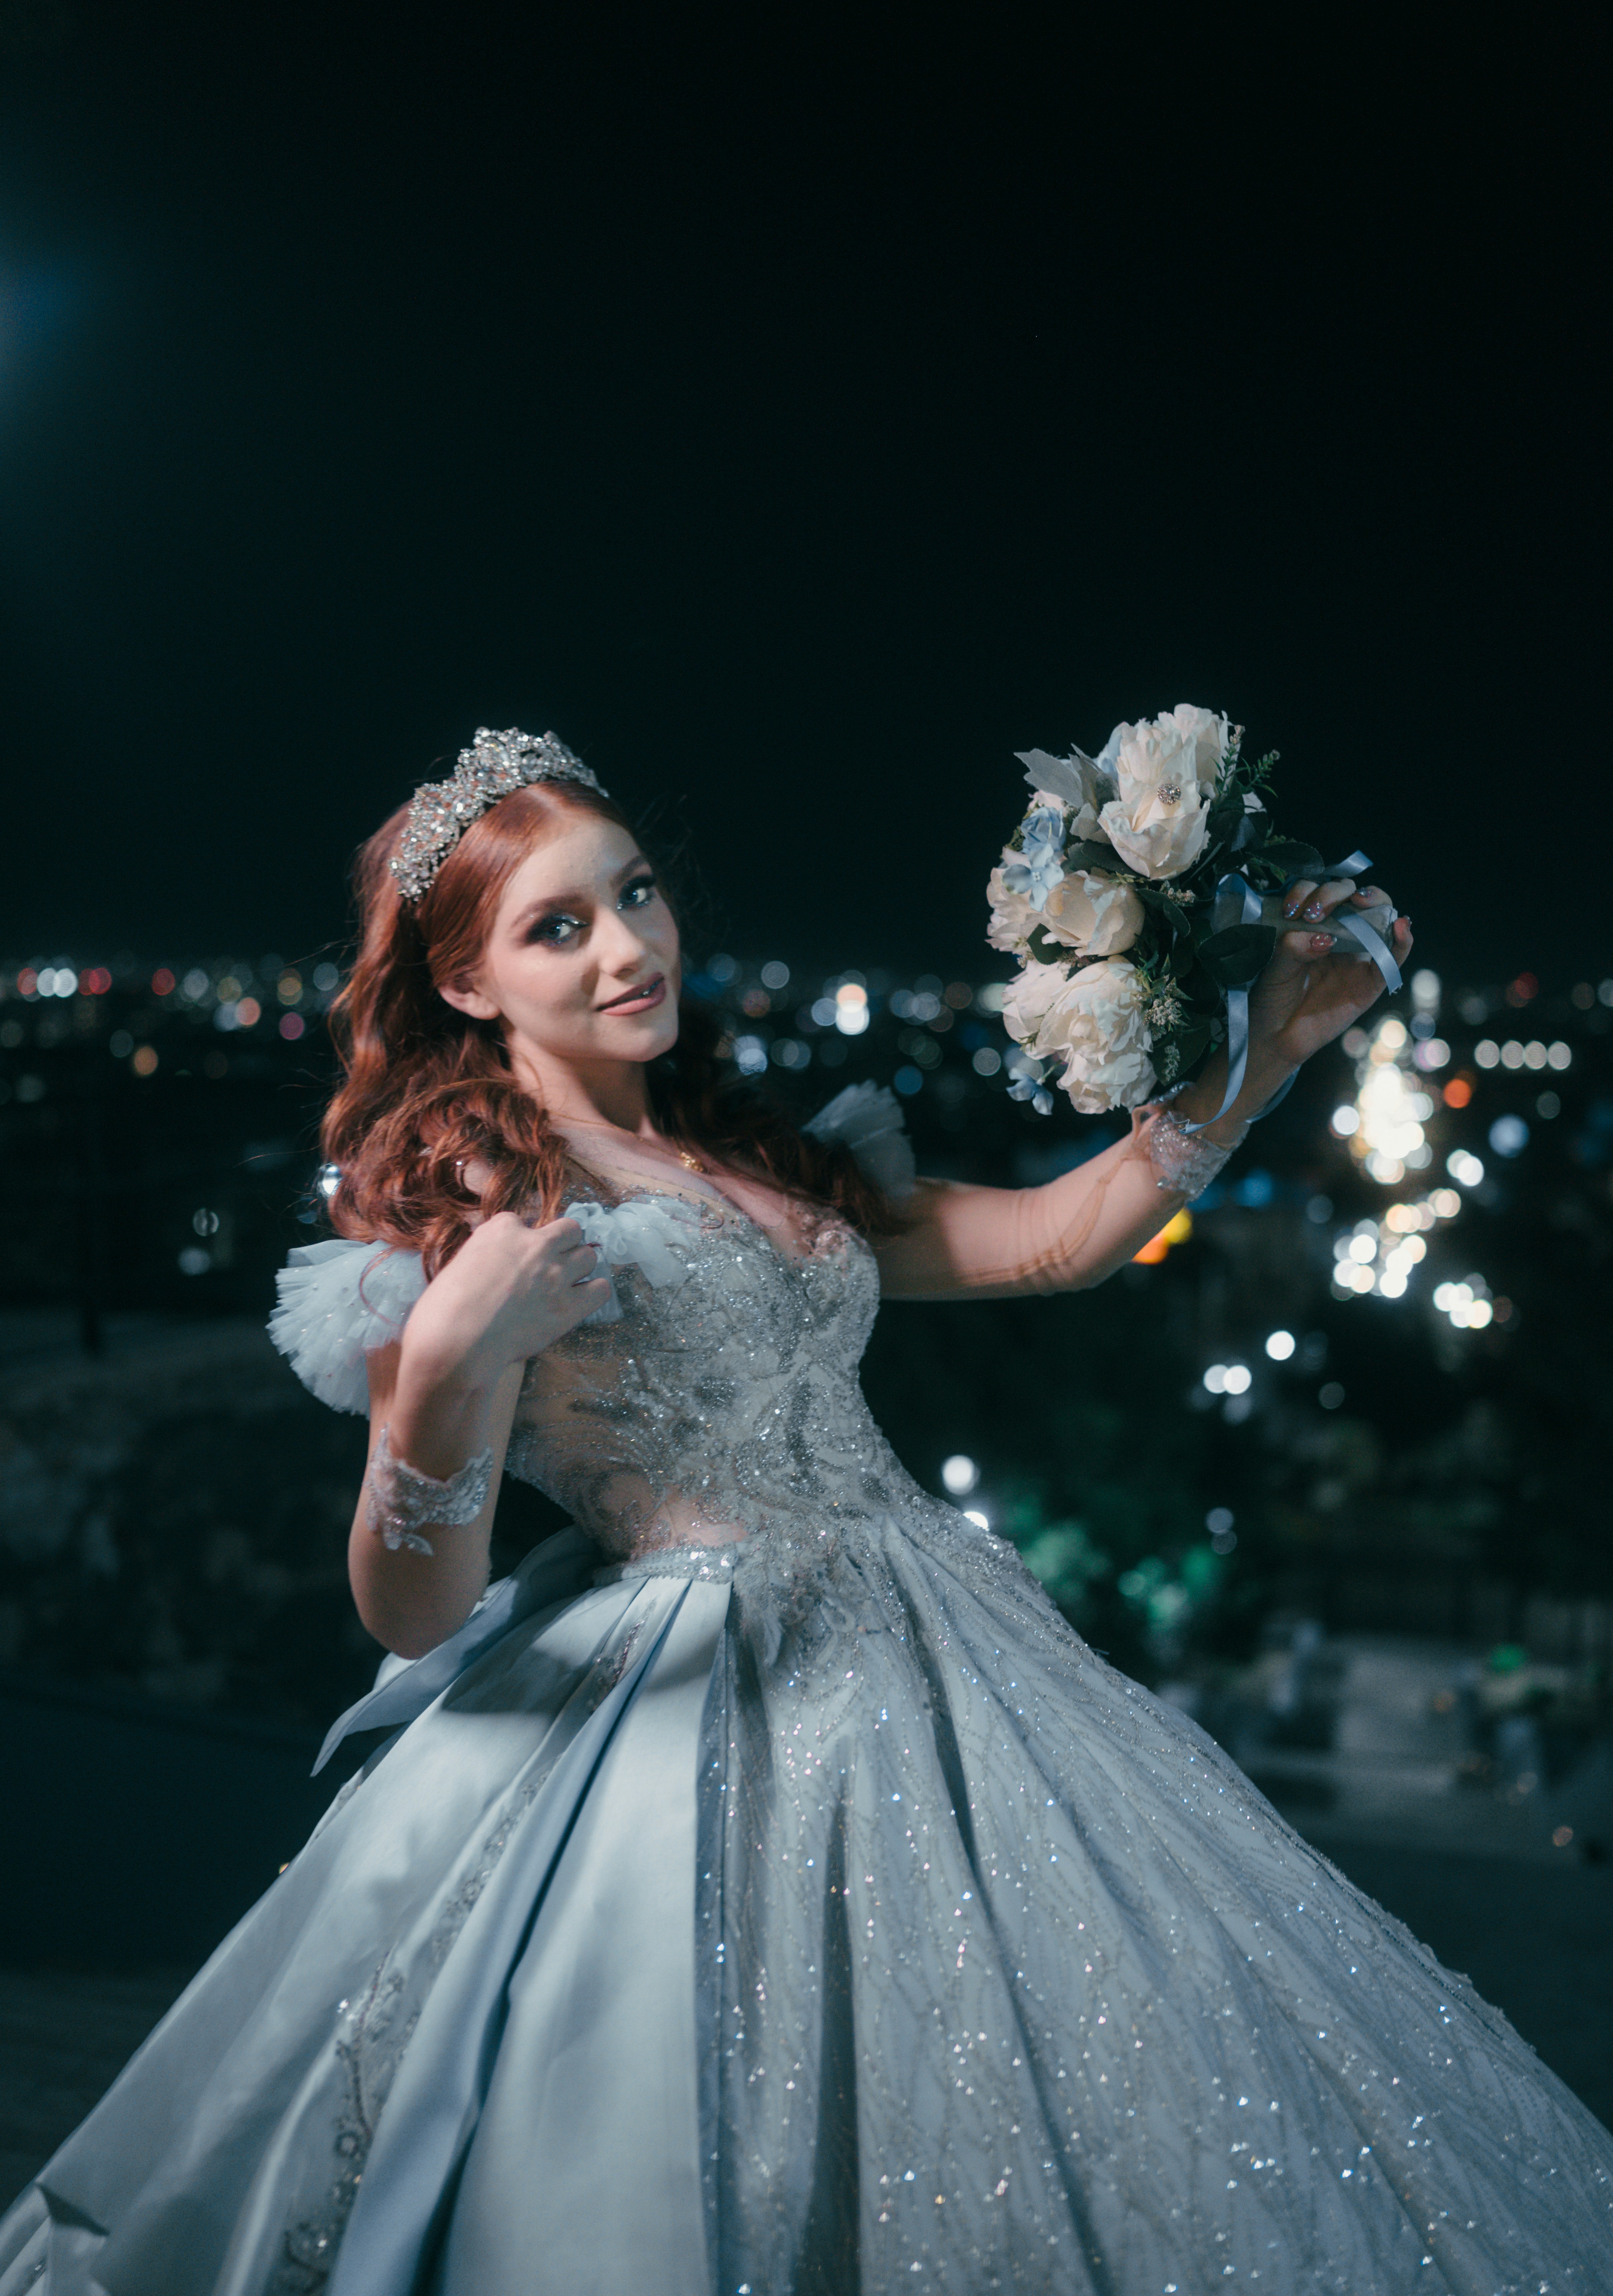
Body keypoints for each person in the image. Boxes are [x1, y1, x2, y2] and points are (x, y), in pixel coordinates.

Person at [3, 725, 1608, 2296]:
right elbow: (411, 1612)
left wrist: (1268, 1038)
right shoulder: (477, 1200)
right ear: (466, 982)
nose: (627, 945)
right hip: (713, 1692)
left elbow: (1058, 1238)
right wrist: (440, 1367)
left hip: (945, 1635)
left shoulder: (751, 1158)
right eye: (556, 925)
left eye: (633, 893)